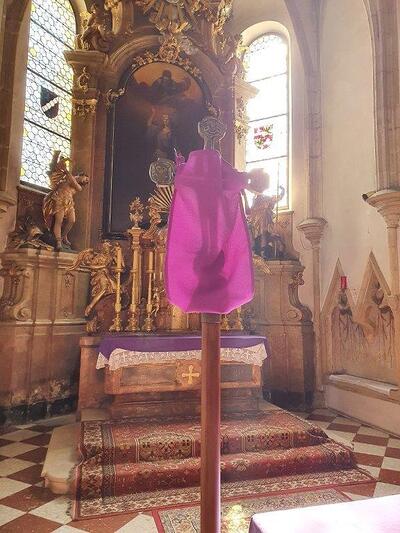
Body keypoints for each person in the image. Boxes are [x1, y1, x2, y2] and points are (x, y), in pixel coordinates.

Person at [43, 151, 89, 251]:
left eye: (87, 182)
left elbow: (73, 182)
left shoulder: (78, 186)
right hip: (59, 199)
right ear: (81, 175)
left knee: (72, 220)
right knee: (58, 221)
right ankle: (58, 241)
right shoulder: (65, 177)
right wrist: (61, 164)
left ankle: (63, 236)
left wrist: (66, 170)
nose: (86, 181)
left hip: (69, 203)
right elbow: (56, 172)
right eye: (86, 179)